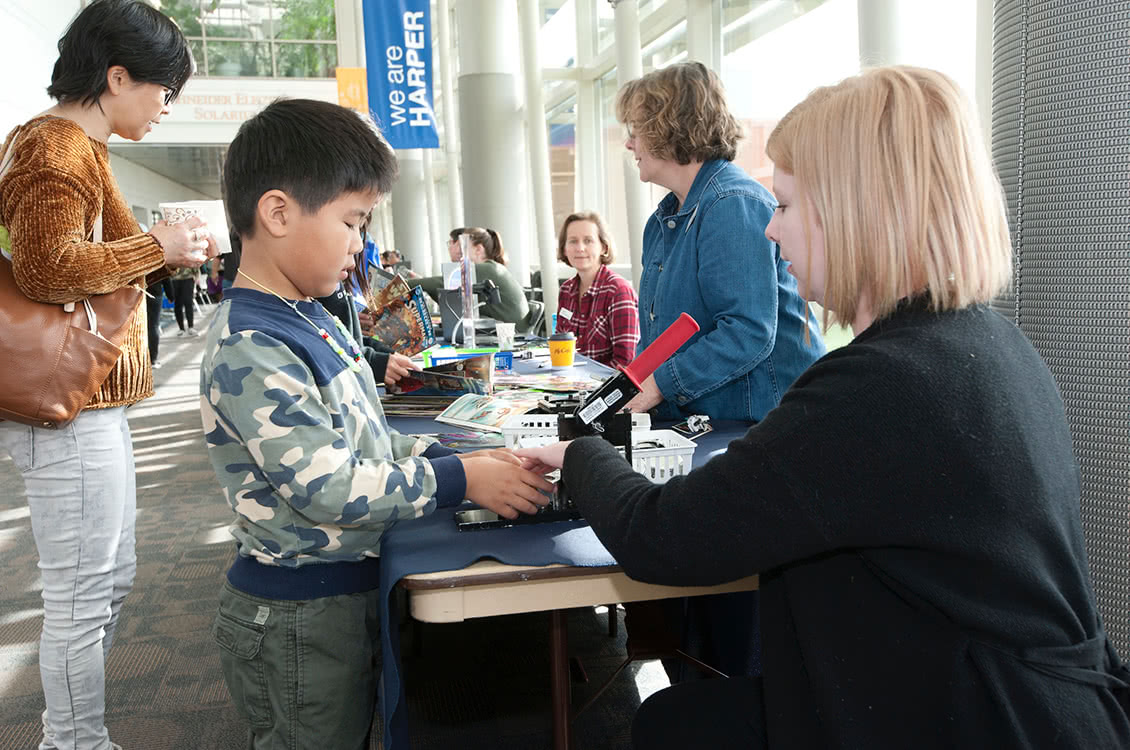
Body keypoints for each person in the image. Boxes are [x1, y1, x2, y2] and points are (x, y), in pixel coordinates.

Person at [517, 66, 1130, 749]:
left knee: (671, 726)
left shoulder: (874, 388)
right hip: (1023, 705)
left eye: (783, 207)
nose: (771, 235)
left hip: (970, 718)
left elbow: (663, 539)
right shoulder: (993, 343)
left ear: (855, 212)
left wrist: (580, 453)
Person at [200, 98, 554, 750]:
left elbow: (367, 437)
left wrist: (463, 455)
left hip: (338, 594)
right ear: (277, 212)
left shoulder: (315, 318)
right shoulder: (251, 343)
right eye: (352, 221)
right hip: (298, 615)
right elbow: (328, 485)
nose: (361, 243)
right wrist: (456, 479)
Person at [0, 2, 213, 748]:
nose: (165, 108)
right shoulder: (55, 149)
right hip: (66, 408)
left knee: (103, 583)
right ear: (117, 75)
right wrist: (156, 245)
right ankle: (74, 742)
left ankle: (75, 737)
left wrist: (159, 246)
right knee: (82, 593)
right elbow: (46, 265)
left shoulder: (74, 147)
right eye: (163, 90)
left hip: (86, 404)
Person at [616, 61, 824, 421]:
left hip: (756, 423)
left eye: (637, 129)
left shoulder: (731, 204)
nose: (629, 142)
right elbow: (659, 340)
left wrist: (655, 386)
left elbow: (747, 331)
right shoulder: (662, 222)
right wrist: (629, 387)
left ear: (669, 126)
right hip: (701, 423)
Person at [554, 210, 639, 368]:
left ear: (603, 248)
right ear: (564, 249)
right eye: (573, 241)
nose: (580, 248)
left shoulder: (618, 291)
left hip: (605, 388)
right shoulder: (566, 290)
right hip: (570, 383)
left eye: (588, 241)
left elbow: (626, 363)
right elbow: (562, 347)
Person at [418, 226, 533, 329]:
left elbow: (439, 283)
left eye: (463, 247)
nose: (459, 252)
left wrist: (403, 283)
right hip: (507, 332)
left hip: (512, 336)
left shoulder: (486, 269)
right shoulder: (491, 267)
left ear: (478, 249)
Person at [169, 263, 198, 335]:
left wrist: (196, 275)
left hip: (188, 278)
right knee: (178, 304)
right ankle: (181, 328)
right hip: (174, 279)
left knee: (188, 302)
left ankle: (191, 327)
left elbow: (194, 262)